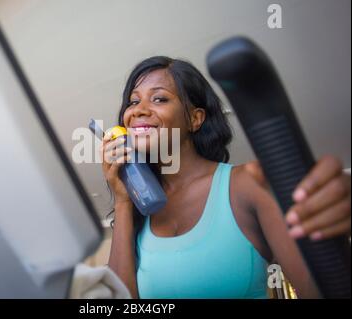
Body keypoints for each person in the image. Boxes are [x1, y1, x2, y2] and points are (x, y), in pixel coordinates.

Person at [101, 56, 351, 299]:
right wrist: (123, 202)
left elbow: (324, 290)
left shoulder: (247, 184)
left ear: (195, 119)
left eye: (159, 98)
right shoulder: (139, 211)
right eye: (133, 102)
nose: (139, 111)